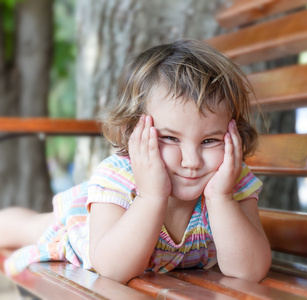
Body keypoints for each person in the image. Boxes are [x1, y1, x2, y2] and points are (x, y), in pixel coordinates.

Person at [0, 39, 272, 284]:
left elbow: (249, 272)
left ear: (234, 135)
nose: (192, 161)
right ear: (133, 132)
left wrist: (221, 198)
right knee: (28, 228)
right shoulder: (120, 176)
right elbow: (112, 270)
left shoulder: (231, 179)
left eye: (210, 141)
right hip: (83, 226)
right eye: (170, 138)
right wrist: (151, 196)